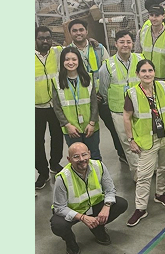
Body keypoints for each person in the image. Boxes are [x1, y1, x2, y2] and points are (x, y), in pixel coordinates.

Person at [121, 59, 165, 227]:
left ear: (154, 72)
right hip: (147, 140)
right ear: (138, 74)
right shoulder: (132, 93)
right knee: (144, 174)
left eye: (150, 70)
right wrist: (131, 139)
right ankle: (140, 208)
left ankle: (160, 194)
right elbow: (127, 116)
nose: (147, 74)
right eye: (143, 71)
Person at [49, 142, 129, 254]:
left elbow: (110, 190)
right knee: (58, 225)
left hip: (95, 205)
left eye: (84, 155)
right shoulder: (62, 177)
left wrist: (106, 206)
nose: (81, 159)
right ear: (69, 159)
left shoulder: (99, 166)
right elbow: (59, 207)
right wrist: (82, 217)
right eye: (76, 157)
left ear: (89, 154)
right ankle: (70, 242)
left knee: (121, 204)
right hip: (75, 211)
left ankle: (97, 227)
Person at [67, 19, 127, 165]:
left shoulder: (98, 48)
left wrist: (102, 93)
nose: (78, 33)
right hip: (80, 100)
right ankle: (86, 159)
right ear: (70, 33)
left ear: (86, 31)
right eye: (74, 30)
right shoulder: (67, 52)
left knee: (114, 127)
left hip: (101, 97)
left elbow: (108, 69)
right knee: (86, 131)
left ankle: (123, 153)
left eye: (81, 30)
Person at [95, 29, 142, 166]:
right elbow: (103, 89)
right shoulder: (107, 66)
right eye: (122, 42)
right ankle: (137, 174)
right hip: (119, 111)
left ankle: (148, 168)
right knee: (128, 143)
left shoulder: (140, 60)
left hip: (140, 108)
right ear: (115, 44)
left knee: (144, 140)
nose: (125, 45)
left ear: (133, 44)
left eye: (128, 42)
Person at [51, 47, 101, 160]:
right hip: (71, 129)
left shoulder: (88, 78)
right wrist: (67, 125)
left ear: (79, 60)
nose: (70, 62)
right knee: (77, 157)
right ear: (62, 61)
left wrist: (92, 123)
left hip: (90, 127)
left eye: (74, 59)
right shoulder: (57, 81)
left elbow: (94, 103)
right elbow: (57, 107)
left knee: (94, 155)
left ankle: (97, 177)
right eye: (67, 59)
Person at [35, 26, 63, 189]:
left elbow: (76, 45)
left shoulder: (58, 52)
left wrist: (95, 43)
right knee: (37, 141)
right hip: (36, 107)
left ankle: (55, 163)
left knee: (58, 136)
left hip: (55, 104)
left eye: (48, 38)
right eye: (41, 38)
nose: (45, 41)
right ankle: (42, 172)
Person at [138, 4, 165, 76]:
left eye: (157, 15)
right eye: (151, 15)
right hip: (145, 77)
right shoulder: (142, 33)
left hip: (163, 78)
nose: (154, 18)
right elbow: (137, 55)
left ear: (163, 16)